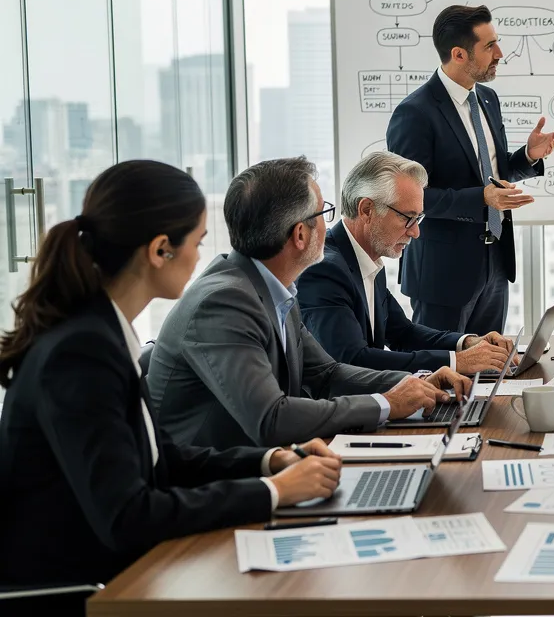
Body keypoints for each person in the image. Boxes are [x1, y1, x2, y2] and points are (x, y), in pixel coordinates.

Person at [0, 161, 342, 594]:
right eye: (197, 242)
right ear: (161, 249)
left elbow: (165, 459)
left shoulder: (103, 332)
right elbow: (128, 515)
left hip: (123, 572)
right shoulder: (81, 352)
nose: (202, 257)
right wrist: (272, 491)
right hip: (81, 590)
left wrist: (269, 461)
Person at [147, 157, 473, 451]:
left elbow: (326, 373)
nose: (329, 225)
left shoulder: (273, 288)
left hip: (265, 465)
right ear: (300, 234)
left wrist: (414, 382)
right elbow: (271, 418)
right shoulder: (223, 302)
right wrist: (386, 403)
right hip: (215, 487)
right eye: (323, 213)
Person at [386, 4, 554, 334]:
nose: (500, 53)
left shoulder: (487, 98)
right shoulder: (415, 113)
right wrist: (482, 199)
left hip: (495, 265)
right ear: (458, 54)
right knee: (441, 375)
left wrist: (527, 156)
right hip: (443, 275)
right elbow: (409, 199)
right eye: (489, 46)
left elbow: (492, 175)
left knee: (485, 373)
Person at [297, 151, 515, 375]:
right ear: (366, 210)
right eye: (407, 217)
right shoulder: (325, 270)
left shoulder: (367, 256)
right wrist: (457, 362)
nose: (416, 232)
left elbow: (403, 334)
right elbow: (352, 361)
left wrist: (467, 343)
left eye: (419, 218)